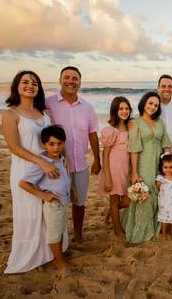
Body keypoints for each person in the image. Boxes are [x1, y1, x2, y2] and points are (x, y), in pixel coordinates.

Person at [1, 70, 63, 273]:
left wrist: (58, 161)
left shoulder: (44, 113)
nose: (30, 85)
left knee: (48, 211)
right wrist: (41, 163)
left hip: (48, 171)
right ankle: (30, 256)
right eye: (25, 82)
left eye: (34, 83)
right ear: (17, 86)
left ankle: (50, 252)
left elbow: (53, 140)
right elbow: (14, 147)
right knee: (30, 213)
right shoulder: (10, 114)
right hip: (25, 168)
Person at [45, 66, 100, 242]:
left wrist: (97, 160)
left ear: (80, 82)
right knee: (57, 202)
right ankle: (57, 237)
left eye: (74, 78)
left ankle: (77, 234)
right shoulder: (48, 104)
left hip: (81, 164)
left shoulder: (88, 107)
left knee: (80, 202)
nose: (70, 81)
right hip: (57, 165)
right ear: (60, 80)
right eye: (67, 77)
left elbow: (92, 133)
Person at [18, 125, 73, 272]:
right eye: (51, 144)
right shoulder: (42, 163)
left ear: (64, 143)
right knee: (54, 235)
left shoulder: (61, 158)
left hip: (63, 203)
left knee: (60, 231)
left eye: (59, 143)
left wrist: (71, 190)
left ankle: (60, 256)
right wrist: (43, 195)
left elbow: (65, 178)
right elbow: (23, 183)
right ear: (44, 144)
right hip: (53, 205)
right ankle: (59, 262)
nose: (56, 147)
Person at [123, 91, 169, 244]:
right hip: (143, 164)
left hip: (158, 165)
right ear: (144, 103)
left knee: (157, 193)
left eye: (156, 105)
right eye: (150, 103)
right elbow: (134, 148)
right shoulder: (135, 123)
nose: (153, 107)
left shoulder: (160, 123)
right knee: (145, 195)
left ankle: (155, 225)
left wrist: (167, 165)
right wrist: (134, 172)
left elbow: (166, 143)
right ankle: (142, 231)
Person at [100, 96, 132, 237]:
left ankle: (110, 211)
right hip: (113, 168)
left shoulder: (131, 126)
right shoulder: (110, 130)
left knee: (128, 199)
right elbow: (105, 155)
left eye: (126, 108)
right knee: (114, 198)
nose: (124, 111)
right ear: (115, 110)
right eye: (121, 109)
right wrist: (107, 177)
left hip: (127, 168)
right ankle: (117, 229)